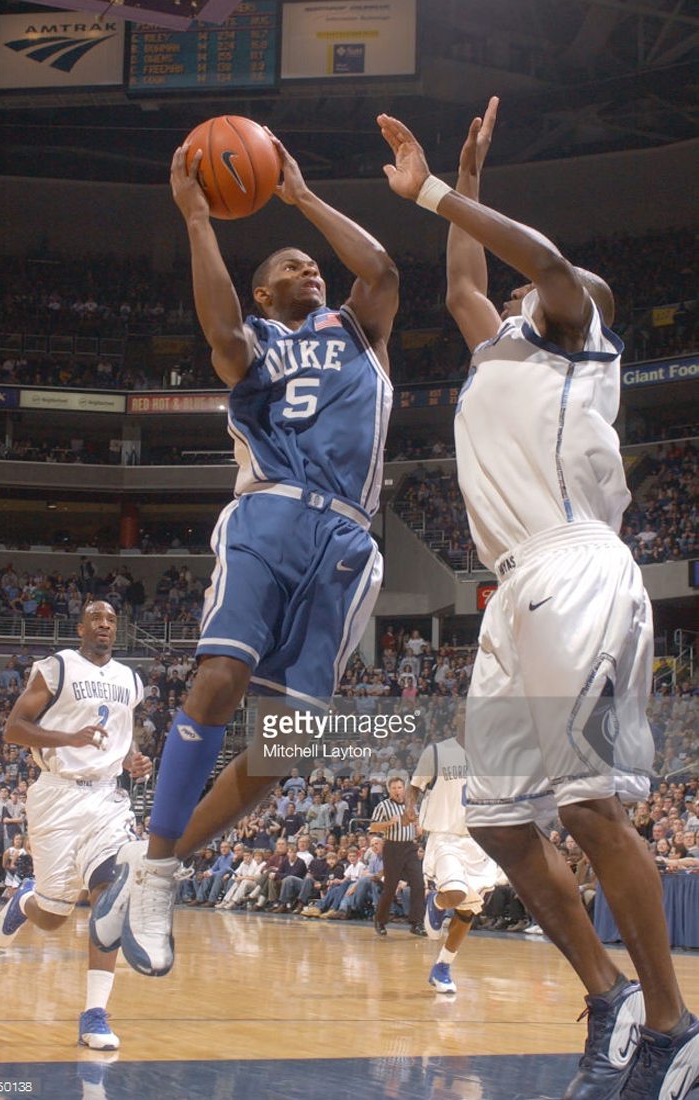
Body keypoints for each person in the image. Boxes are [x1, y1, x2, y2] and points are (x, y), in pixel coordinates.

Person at [378, 100, 699, 1098]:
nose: (515, 291)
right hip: (508, 592)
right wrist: (464, 179)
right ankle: (605, 996)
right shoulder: (500, 348)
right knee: (498, 818)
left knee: (588, 806)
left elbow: (546, 265)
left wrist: (435, 193)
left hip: (573, 567)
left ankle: (675, 1025)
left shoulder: (573, 332)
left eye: (536, 288)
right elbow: (465, 279)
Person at [92, 127, 398, 977]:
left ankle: (153, 865)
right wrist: (197, 217)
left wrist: (300, 195)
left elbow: (384, 270)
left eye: (313, 265)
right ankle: (157, 874)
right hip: (268, 513)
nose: (313, 271)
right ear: (266, 291)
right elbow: (222, 325)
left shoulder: (359, 331)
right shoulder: (256, 342)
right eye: (294, 266)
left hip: (347, 535)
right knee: (220, 679)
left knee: (291, 742)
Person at [0, 600, 151, 1051]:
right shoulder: (57, 668)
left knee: (112, 891)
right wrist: (68, 738)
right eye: (96, 618)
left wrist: (131, 758)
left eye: (111, 619)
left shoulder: (130, 679)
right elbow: (14, 729)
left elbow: (120, 735)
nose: (104, 625)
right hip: (56, 796)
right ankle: (25, 902)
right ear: (81, 627)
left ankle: (95, 1013)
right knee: (53, 917)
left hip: (107, 798)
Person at [405, 732, 498, 994]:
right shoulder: (436, 752)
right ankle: (436, 901)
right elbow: (414, 786)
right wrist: (410, 809)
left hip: (479, 841)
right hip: (445, 836)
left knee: (467, 912)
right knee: (454, 893)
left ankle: (442, 967)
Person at [368, 777, 426, 937]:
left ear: (404, 788)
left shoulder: (411, 804)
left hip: (410, 847)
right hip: (392, 847)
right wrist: (388, 823)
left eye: (400, 787)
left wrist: (419, 827)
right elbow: (373, 826)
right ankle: (380, 920)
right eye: (393, 788)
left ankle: (417, 923)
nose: (397, 790)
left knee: (419, 884)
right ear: (389, 790)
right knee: (390, 887)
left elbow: (416, 821)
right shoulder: (383, 806)